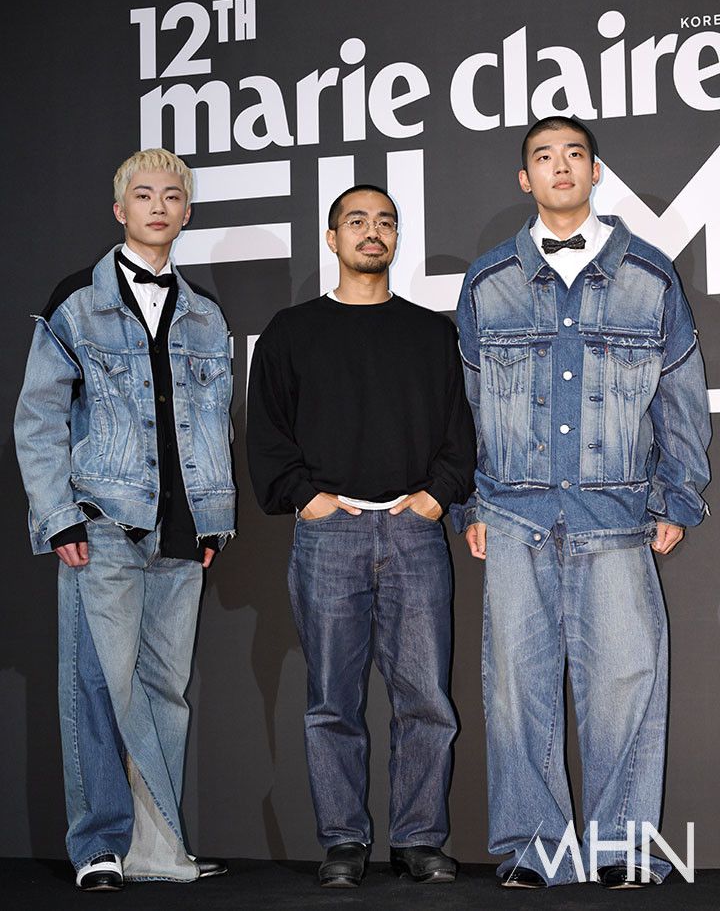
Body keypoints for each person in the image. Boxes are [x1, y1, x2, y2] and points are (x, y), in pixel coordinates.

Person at [453, 117, 710, 889]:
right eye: (543, 156)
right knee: (515, 694)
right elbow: (465, 406)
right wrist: (471, 504)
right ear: (524, 179)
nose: (560, 166)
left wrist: (679, 496)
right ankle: (537, 850)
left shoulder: (651, 277)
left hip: (618, 519)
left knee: (627, 690)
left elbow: (682, 398)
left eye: (574, 154)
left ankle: (621, 848)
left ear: (595, 172)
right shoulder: (488, 281)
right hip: (514, 518)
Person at [14, 148, 236, 891]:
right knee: (96, 686)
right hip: (103, 522)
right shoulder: (77, 301)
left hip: (182, 532)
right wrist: (59, 518)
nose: (159, 206)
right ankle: (99, 845)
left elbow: (215, 425)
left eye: (172, 196)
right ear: (120, 210)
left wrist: (213, 519)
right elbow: (38, 418)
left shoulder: (205, 314)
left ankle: (157, 848)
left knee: (165, 691)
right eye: (144, 195)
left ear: (187, 212)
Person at [246, 184, 475, 888]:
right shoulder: (291, 331)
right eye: (357, 221)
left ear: (396, 238)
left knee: (426, 700)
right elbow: (266, 432)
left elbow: (459, 431)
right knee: (331, 703)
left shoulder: (432, 333)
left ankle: (418, 840)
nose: (372, 232)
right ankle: (343, 842)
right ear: (332, 237)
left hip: (414, 535)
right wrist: (308, 500)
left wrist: (433, 499)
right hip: (329, 537)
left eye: (385, 222)